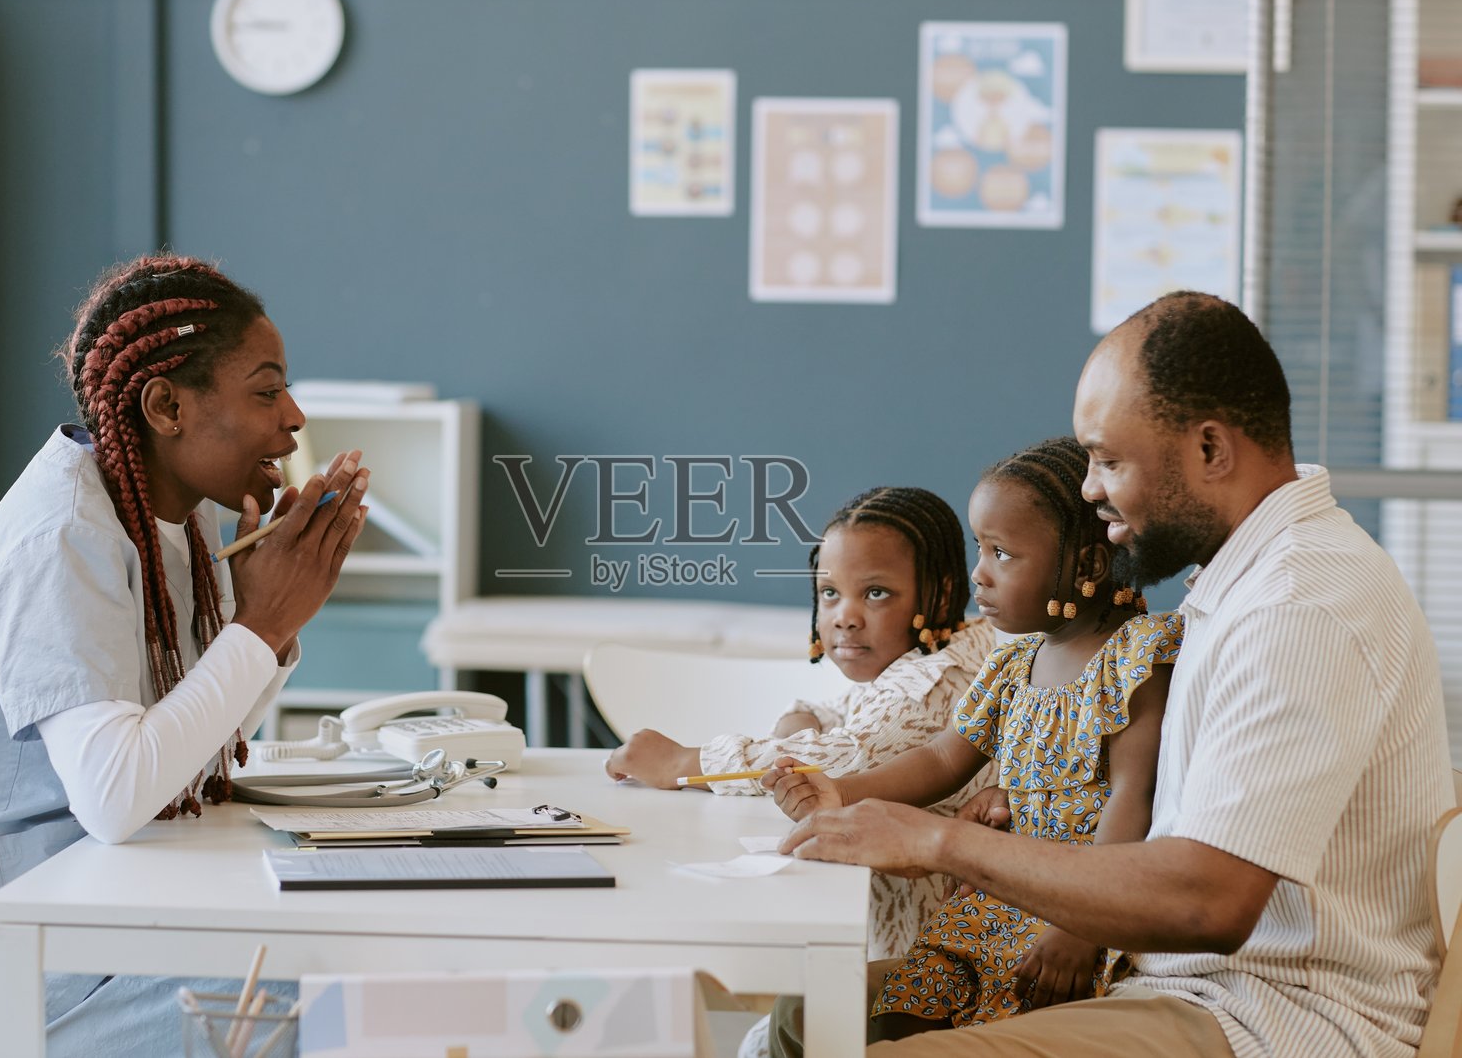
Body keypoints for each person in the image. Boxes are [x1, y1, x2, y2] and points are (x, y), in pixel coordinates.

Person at [768, 291, 1452, 1058]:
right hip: (1172, 983)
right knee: (807, 1021)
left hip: (1270, 1016)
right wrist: (1012, 813)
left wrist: (939, 842)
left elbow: (1206, 900)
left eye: (1110, 459)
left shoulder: (1300, 606)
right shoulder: (1242, 585)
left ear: (1210, 449)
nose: (1091, 488)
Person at [0, 254, 371, 1057]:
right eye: (267, 390)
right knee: (356, 992)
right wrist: (259, 627)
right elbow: (115, 793)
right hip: (46, 990)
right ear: (165, 405)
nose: (294, 416)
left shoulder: (174, 519)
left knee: (377, 945)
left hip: (120, 926)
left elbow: (184, 753)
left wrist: (276, 622)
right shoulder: (58, 537)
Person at [767, 436, 1179, 1043]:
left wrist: (1080, 929)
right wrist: (838, 792)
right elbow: (940, 758)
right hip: (991, 910)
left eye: (1003, 553)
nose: (978, 576)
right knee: (840, 1017)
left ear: (1088, 567)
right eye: (979, 549)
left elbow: (1132, 798)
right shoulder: (1014, 665)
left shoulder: (1134, 659)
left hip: (1074, 918)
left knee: (892, 1030)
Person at [606, 486, 998, 960]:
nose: (845, 617)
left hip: (929, 957)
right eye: (829, 594)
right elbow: (842, 712)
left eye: (876, 593)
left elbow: (843, 758)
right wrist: (802, 719)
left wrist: (681, 762)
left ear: (943, 591)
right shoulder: (944, 648)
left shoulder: (934, 680)